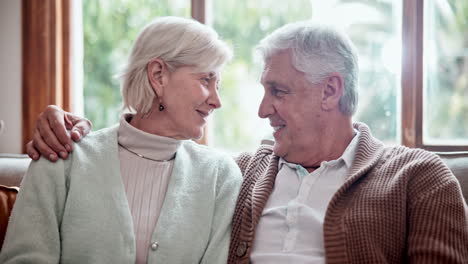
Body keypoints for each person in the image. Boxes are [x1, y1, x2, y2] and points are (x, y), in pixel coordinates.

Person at [25, 22, 468, 263]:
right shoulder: (242, 171)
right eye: (264, 91)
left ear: (330, 91)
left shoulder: (419, 177)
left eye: (278, 91)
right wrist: (64, 123)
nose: (261, 110)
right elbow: (143, 152)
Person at [0, 16, 243, 264]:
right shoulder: (62, 158)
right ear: (158, 75)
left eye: (218, 85)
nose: (216, 100)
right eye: (206, 80)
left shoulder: (220, 176)